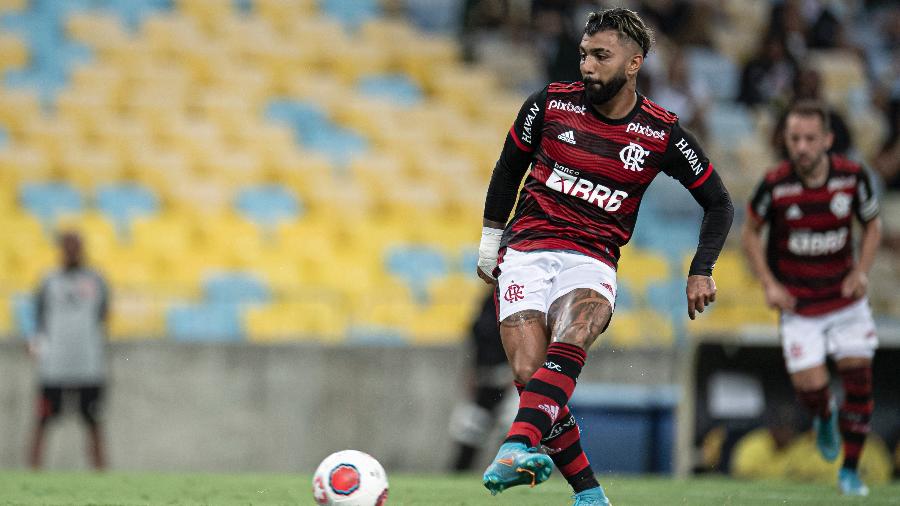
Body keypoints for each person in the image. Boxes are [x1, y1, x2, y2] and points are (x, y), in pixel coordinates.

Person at [475, 8, 734, 505]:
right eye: (583, 55)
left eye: (600, 56)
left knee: (577, 327)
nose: (587, 66)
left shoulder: (661, 133)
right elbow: (507, 170)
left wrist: (701, 268)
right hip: (527, 249)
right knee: (533, 380)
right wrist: (490, 243)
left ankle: (513, 447)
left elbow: (719, 202)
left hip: (591, 259)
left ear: (634, 62)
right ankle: (590, 494)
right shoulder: (549, 105)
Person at [740, 100, 882, 496]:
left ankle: (850, 471)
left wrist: (861, 271)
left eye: (809, 139)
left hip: (845, 300)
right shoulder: (776, 183)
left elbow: (872, 225)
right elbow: (750, 233)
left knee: (859, 381)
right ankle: (823, 416)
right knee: (812, 388)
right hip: (799, 305)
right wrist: (769, 283)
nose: (800, 146)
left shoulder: (852, 179)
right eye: (794, 138)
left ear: (827, 140)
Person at [27, 231, 110, 470]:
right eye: (68, 246)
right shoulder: (48, 281)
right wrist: (36, 345)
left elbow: (102, 315)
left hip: (88, 365)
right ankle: (32, 475)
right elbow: (38, 319)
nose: (72, 250)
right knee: (42, 422)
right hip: (54, 366)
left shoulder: (97, 280)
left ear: (83, 248)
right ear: (61, 248)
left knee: (94, 423)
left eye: (76, 246)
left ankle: (102, 477)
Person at [448, 289, 513, 471]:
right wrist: (472, 371)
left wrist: (519, 371)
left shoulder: (518, 298)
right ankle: (457, 479)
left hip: (510, 377)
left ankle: (517, 474)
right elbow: (478, 341)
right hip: (483, 378)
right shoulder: (489, 299)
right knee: (470, 431)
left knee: (513, 430)